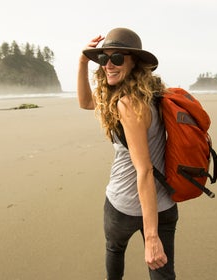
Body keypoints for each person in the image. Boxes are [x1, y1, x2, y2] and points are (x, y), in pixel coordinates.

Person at [77, 27, 179, 280]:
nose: (108, 65)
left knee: (115, 249)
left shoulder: (128, 103)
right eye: (103, 59)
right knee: (163, 274)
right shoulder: (154, 95)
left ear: (134, 62)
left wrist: (151, 236)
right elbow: (86, 102)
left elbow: (143, 170)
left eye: (117, 58)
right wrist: (82, 60)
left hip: (123, 204)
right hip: (164, 204)